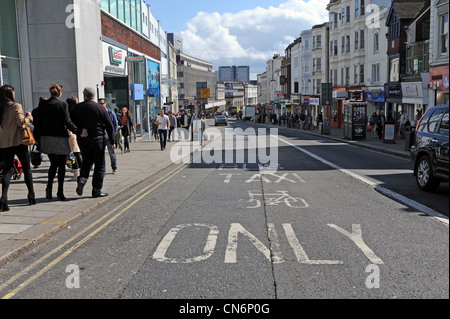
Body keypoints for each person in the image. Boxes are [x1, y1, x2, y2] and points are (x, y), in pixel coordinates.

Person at [34, 84, 78, 201]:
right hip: (60, 138)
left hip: (47, 138)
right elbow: (68, 122)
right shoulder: (63, 104)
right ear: (60, 93)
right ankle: (60, 192)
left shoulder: (43, 104)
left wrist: (36, 137)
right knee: (61, 166)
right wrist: (78, 130)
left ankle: (49, 188)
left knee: (53, 164)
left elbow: (38, 122)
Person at [70, 87, 115, 198]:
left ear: (84, 95)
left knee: (86, 161)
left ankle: (82, 179)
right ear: (93, 96)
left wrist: (79, 131)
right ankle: (96, 191)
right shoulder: (100, 108)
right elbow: (109, 125)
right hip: (98, 139)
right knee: (99, 166)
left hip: (83, 140)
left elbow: (69, 123)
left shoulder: (76, 108)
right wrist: (112, 141)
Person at [0, 85, 36, 210]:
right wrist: (29, 118)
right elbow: (21, 122)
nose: (15, 94)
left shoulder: (1, 108)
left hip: (5, 143)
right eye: (13, 92)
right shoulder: (16, 106)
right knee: (27, 169)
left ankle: (3, 198)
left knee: (8, 170)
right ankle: (31, 196)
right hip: (19, 142)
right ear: (10, 94)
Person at [99, 98, 118, 174]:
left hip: (109, 138)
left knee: (112, 154)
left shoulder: (111, 113)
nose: (101, 105)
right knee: (101, 155)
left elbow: (115, 125)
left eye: (102, 103)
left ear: (105, 104)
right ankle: (103, 171)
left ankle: (114, 168)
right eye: (99, 104)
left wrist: (113, 135)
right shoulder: (98, 113)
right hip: (101, 138)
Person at [66, 96, 83, 181]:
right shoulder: (77, 110)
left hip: (71, 134)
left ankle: (76, 174)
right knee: (77, 154)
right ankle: (81, 173)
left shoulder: (68, 112)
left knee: (74, 155)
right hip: (77, 133)